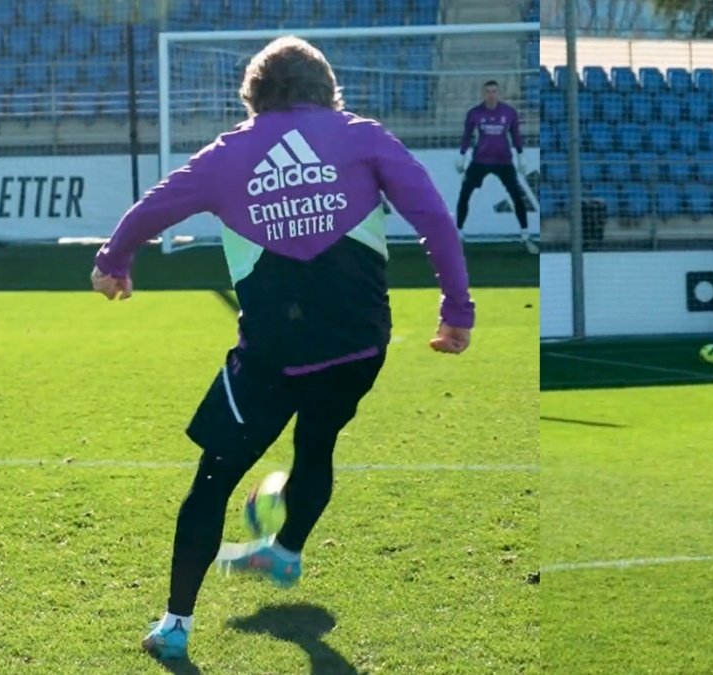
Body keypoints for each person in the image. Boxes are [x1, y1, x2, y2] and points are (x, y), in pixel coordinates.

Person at [90, 36, 475, 660]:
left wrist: (114, 262)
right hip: (359, 348)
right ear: (327, 90)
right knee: (317, 444)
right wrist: (456, 311)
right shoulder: (364, 137)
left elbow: (154, 207)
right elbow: (434, 217)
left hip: (272, 358)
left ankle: (175, 626)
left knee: (213, 481)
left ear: (253, 97)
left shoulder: (230, 154)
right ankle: (287, 551)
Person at [455, 79, 537, 253]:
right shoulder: (475, 113)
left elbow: (515, 135)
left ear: (498, 93)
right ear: (483, 94)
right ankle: (459, 234)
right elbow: (467, 136)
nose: (491, 95)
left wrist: (520, 155)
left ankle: (525, 236)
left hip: (503, 161)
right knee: (464, 194)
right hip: (480, 160)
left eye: (494, 91)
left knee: (517, 196)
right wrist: (462, 155)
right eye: (488, 92)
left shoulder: (509, 112)